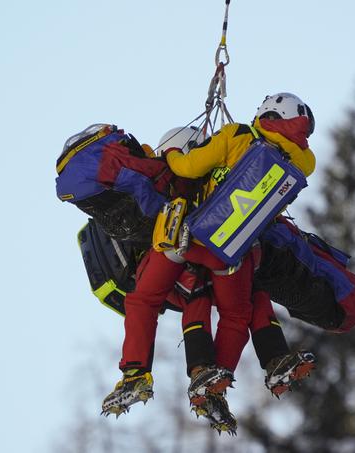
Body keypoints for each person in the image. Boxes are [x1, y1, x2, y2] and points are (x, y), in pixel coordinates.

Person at [103, 93, 317, 424]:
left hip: (181, 240)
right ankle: (229, 377)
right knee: (241, 309)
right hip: (236, 251)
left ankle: (137, 374)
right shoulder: (299, 164)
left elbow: (187, 166)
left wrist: (174, 154)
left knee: (151, 300)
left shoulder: (235, 136)